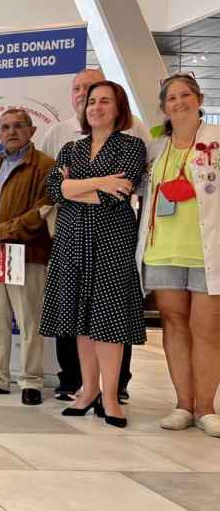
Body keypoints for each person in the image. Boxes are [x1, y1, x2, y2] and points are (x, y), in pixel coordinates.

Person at [40, 80, 146, 428]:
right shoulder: (71, 148)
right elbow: (55, 189)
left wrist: (78, 187)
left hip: (112, 241)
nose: (95, 107)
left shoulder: (131, 146)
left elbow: (119, 194)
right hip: (71, 239)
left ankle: (111, 397)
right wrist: (99, 181)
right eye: (91, 101)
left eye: (104, 101)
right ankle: (87, 390)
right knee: (80, 320)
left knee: (108, 321)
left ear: (118, 109)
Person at [136, 73, 220, 437]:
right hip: (163, 249)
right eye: (171, 98)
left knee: (207, 329)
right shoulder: (157, 148)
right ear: (163, 108)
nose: (179, 102)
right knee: (174, 324)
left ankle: (207, 408)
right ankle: (183, 404)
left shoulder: (217, 140)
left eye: (186, 95)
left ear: (199, 99)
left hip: (207, 250)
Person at [0, 108, 55, 405]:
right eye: (5, 127)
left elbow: (42, 210)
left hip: (25, 253)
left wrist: (1, 231)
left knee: (29, 319)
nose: (11, 132)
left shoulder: (45, 166)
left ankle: (31, 381)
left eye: (18, 126)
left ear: (32, 131)